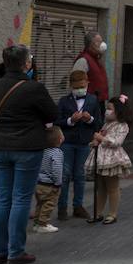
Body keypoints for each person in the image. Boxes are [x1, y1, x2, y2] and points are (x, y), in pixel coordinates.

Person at [0, 45, 57, 264]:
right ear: (27, 64)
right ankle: (15, 251)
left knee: (3, 197)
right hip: (26, 148)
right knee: (20, 199)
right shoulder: (34, 87)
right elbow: (53, 114)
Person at [56, 69, 103, 221]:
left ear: (87, 83)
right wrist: (71, 120)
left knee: (80, 175)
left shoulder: (93, 100)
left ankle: (78, 206)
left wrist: (89, 119)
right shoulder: (64, 101)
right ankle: (62, 207)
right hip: (67, 142)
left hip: (84, 142)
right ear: (71, 86)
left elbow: (99, 123)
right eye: (77, 87)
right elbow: (58, 121)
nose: (80, 89)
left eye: (83, 86)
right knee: (64, 174)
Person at [90, 97, 132, 224]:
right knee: (101, 187)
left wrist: (101, 139)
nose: (107, 111)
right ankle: (98, 213)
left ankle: (112, 213)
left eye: (109, 109)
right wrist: (95, 141)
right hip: (101, 157)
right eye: (107, 108)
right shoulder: (106, 124)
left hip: (112, 158)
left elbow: (117, 142)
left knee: (112, 187)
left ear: (118, 111)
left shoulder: (122, 126)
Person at [32, 126, 65, 235]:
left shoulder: (43, 151)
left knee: (39, 203)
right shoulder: (57, 153)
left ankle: (36, 223)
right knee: (49, 204)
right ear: (60, 139)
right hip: (50, 184)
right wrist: (58, 183)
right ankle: (43, 224)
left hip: (39, 183)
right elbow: (57, 169)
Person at [71, 31, 110, 104]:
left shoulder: (96, 60)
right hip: (87, 103)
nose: (102, 45)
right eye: (98, 42)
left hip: (98, 102)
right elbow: (76, 82)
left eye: (102, 42)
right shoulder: (83, 60)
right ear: (90, 45)